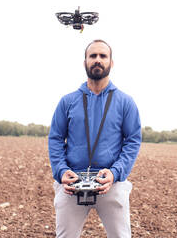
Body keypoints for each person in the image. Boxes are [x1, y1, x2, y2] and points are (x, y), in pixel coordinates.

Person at [48, 39, 142, 238]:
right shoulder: (67, 101)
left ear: (111, 62)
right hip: (72, 186)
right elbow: (55, 138)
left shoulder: (126, 102)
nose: (97, 60)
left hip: (111, 184)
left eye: (103, 56)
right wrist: (61, 171)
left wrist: (116, 173)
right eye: (93, 56)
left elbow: (133, 140)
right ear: (85, 63)